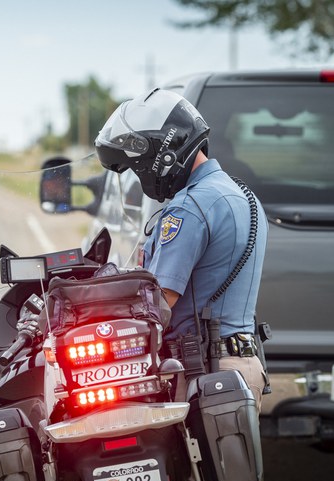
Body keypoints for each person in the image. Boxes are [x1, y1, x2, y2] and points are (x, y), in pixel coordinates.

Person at [94, 88, 269, 408]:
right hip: (244, 368)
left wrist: (93, 304)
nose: (139, 174)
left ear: (159, 155)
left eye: (137, 166)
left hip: (203, 371)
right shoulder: (243, 196)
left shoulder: (190, 207)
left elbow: (159, 302)